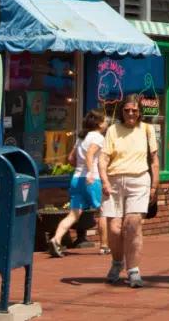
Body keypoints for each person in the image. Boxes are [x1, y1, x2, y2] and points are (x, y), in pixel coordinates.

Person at [98, 94, 159, 288]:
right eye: (127, 110)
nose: (131, 113)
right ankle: (117, 263)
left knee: (133, 224)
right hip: (114, 181)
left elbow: (155, 161)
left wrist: (154, 187)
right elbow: (103, 159)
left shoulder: (147, 130)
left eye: (135, 110)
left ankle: (133, 270)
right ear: (121, 111)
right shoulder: (112, 130)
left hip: (139, 179)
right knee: (115, 229)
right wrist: (105, 181)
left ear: (140, 112)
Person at [49, 109, 108, 258]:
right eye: (105, 120)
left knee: (74, 214)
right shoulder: (98, 137)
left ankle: (56, 239)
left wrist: (81, 169)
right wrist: (89, 172)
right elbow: (89, 154)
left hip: (76, 179)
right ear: (99, 123)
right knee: (103, 212)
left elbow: (70, 158)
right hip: (92, 178)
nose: (107, 123)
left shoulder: (81, 138)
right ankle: (104, 246)